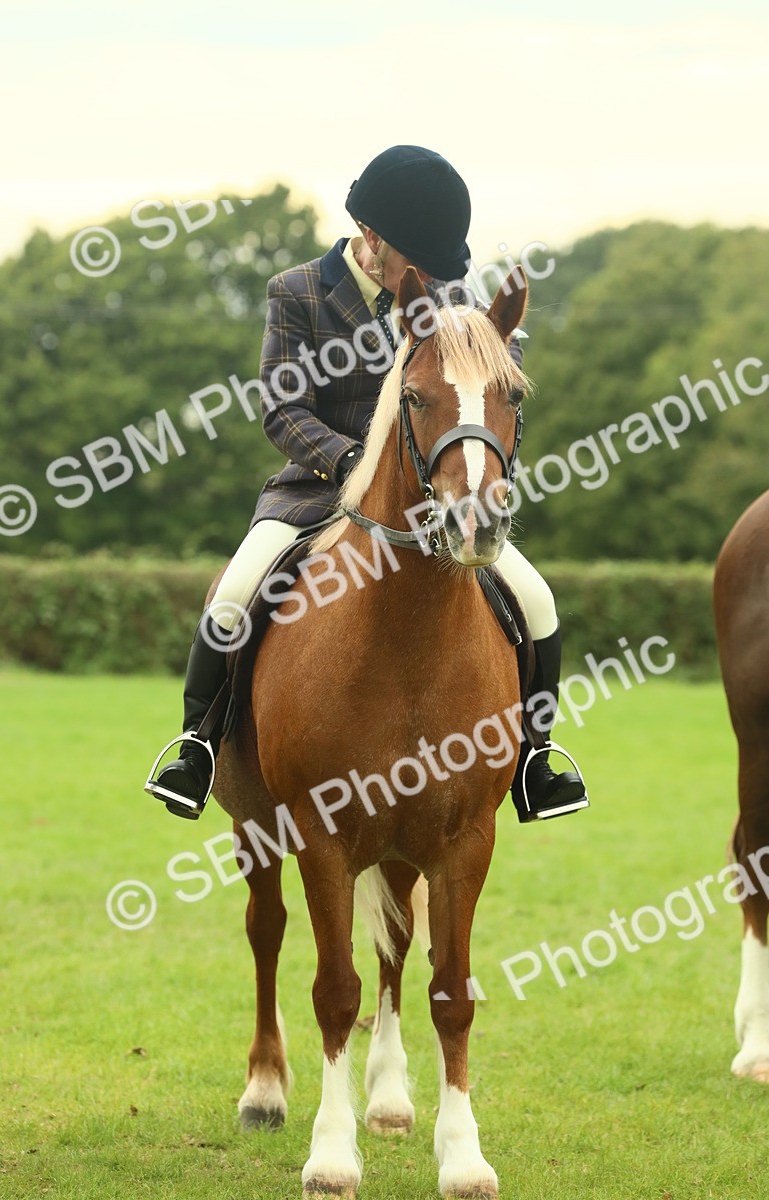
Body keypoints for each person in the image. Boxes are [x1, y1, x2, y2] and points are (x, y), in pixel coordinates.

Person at [145, 145, 588, 824]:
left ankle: (536, 758)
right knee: (234, 593)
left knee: (537, 599)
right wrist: (355, 462)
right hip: (317, 489)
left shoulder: (461, 307)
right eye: (422, 261)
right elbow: (283, 409)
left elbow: (492, 397)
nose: (435, 278)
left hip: (434, 499)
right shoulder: (298, 292)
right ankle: (197, 747)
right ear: (371, 237)